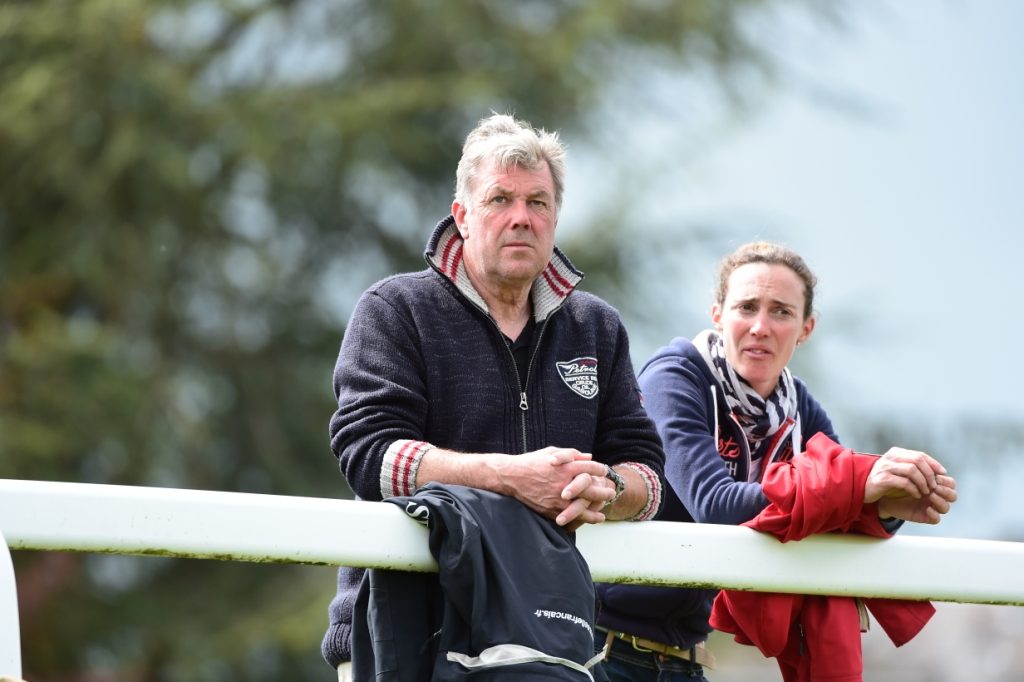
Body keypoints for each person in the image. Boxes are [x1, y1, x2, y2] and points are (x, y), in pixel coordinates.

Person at [320, 113, 666, 680]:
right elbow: (369, 458)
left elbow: (648, 474)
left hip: (548, 637)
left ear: (556, 218)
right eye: (499, 199)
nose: (521, 219)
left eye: (538, 202)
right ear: (461, 215)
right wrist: (510, 476)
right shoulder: (395, 309)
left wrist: (608, 488)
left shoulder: (596, 328)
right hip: (404, 628)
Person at [594, 241, 958, 681]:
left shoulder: (798, 408)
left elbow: (838, 507)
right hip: (603, 649)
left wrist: (885, 507)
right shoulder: (674, 378)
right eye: (746, 307)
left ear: (806, 329)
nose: (760, 326)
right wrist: (862, 485)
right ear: (717, 315)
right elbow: (716, 505)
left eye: (781, 312)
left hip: (685, 658)